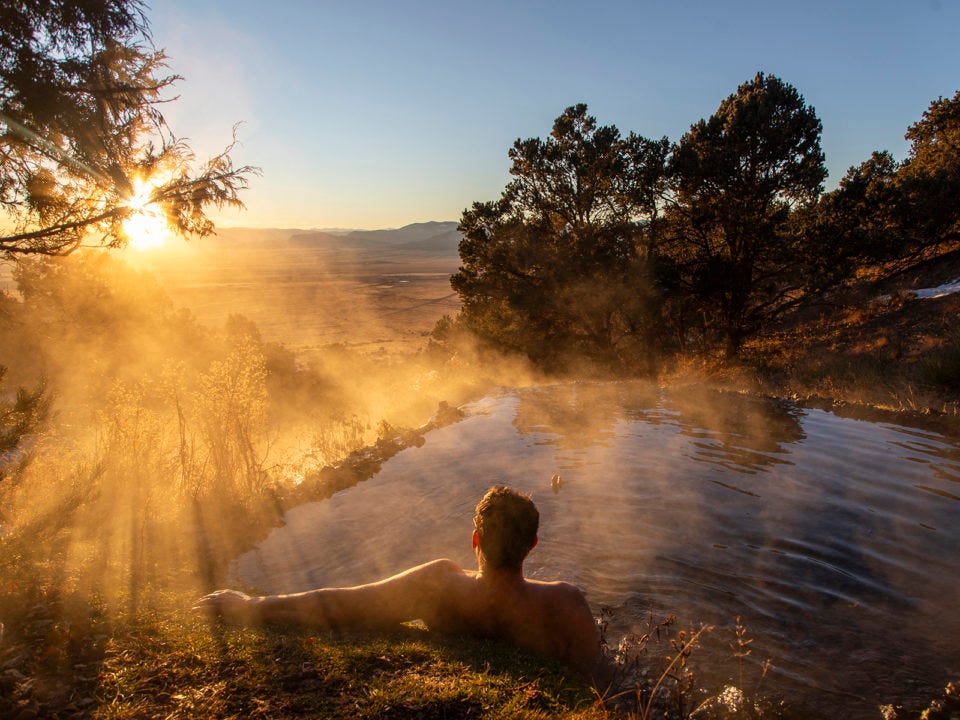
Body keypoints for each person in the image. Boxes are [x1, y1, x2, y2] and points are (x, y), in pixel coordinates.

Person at [194, 485, 604, 678]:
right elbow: (601, 678)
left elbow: (345, 604)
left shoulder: (438, 584)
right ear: (532, 545)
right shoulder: (565, 604)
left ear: (475, 539)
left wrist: (249, 607)